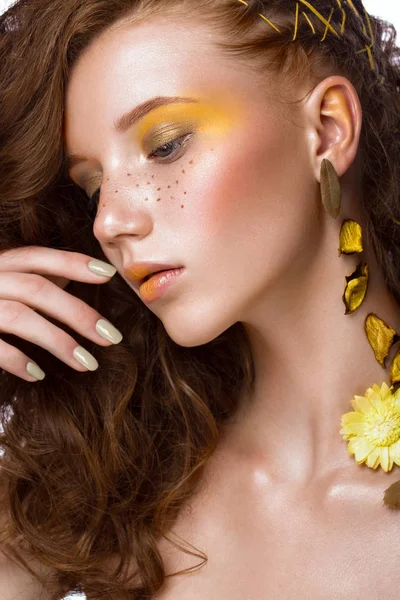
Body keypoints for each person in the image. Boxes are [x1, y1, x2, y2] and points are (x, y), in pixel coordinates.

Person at [0, 0, 399, 598]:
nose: (109, 221)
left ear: (328, 127)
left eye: (163, 146)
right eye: (91, 188)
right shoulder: (120, 487)